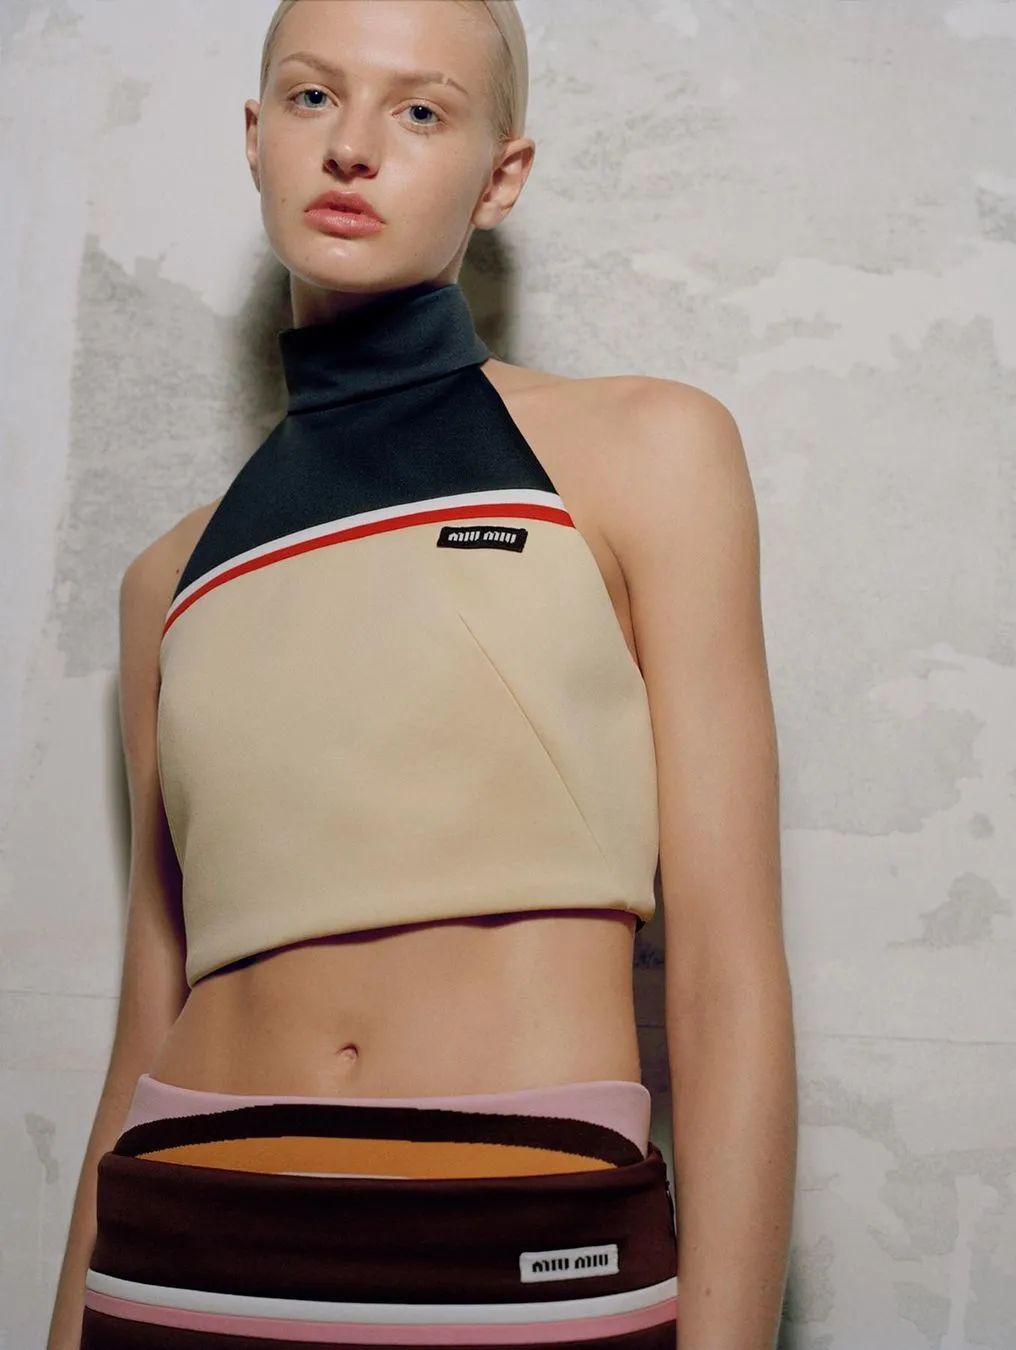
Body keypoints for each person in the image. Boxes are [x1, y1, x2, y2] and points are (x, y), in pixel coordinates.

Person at [47, 2, 797, 1347]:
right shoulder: (166, 581)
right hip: (181, 1244)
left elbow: (728, 975)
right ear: (256, 136)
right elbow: (146, 1013)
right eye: (311, 96)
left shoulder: (648, 452)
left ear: (501, 175)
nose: (352, 146)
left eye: (420, 110)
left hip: (521, 1229)